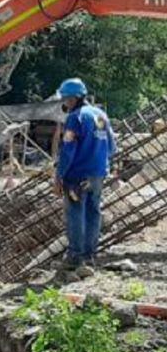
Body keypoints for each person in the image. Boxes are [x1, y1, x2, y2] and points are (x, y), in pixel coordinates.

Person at [54, 78, 115, 278]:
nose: (64, 102)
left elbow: (68, 150)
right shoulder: (101, 115)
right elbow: (112, 147)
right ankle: (89, 256)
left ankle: (75, 257)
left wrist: (59, 174)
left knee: (75, 214)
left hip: (76, 177)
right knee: (93, 213)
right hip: (97, 175)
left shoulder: (75, 117)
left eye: (65, 99)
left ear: (72, 98)